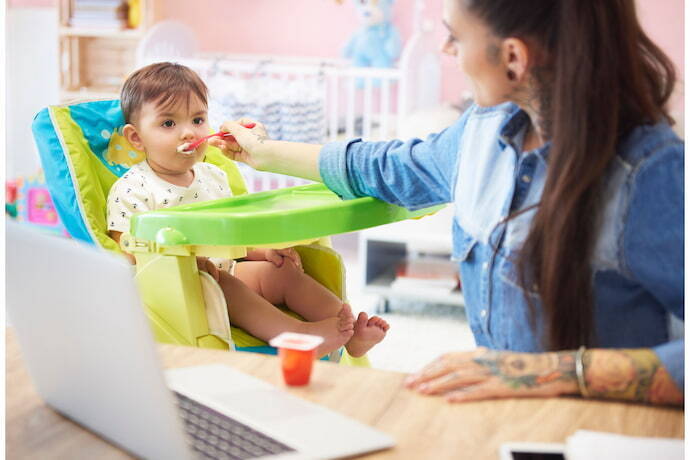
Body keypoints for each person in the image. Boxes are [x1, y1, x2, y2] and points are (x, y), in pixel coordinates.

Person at [211, 0, 683, 405]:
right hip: (502, 416)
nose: (446, 51)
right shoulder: (481, 130)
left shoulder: (650, 175)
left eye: (455, 36)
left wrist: (551, 373)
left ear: (514, 58)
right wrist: (265, 152)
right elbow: (387, 166)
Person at [107, 62, 390, 358]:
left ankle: (348, 330)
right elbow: (126, 250)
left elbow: (232, 237)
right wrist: (184, 260)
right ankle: (297, 336)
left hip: (227, 268)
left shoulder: (213, 176)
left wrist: (262, 252)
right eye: (169, 124)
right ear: (136, 138)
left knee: (280, 273)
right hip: (182, 285)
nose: (188, 133)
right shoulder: (133, 188)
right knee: (224, 283)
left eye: (198, 119)